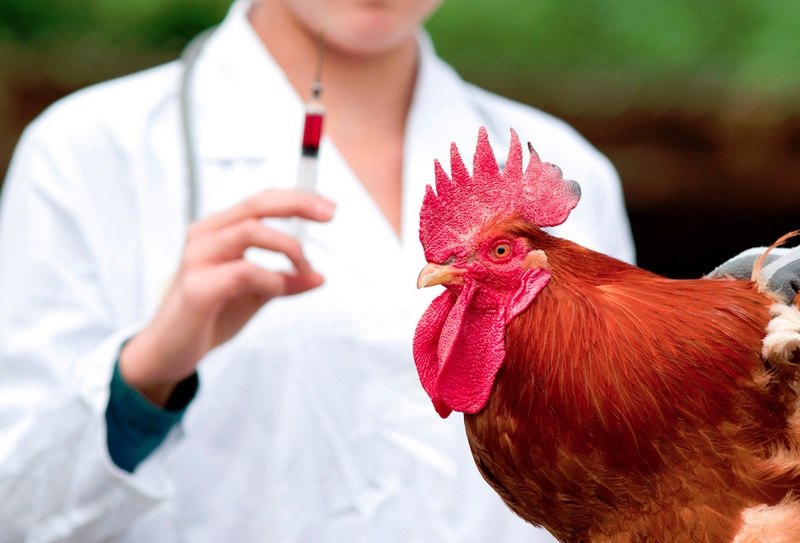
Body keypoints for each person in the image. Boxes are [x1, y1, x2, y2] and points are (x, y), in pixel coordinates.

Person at [0, 0, 635, 541]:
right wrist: (147, 371)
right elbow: (21, 511)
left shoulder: (567, 169)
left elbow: (623, 485)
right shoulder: (90, 153)